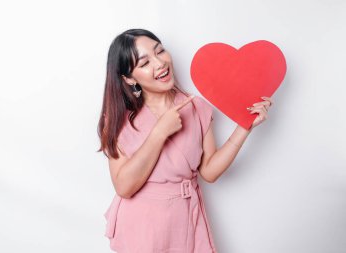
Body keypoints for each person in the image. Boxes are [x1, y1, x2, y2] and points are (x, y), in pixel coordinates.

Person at [97, 28, 273, 253]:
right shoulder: (117, 120)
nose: (159, 63)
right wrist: (159, 133)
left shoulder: (197, 106)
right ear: (129, 78)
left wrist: (245, 126)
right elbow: (124, 187)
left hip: (185, 221)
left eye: (160, 51)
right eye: (144, 63)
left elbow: (209, 172)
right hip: (142, 226)